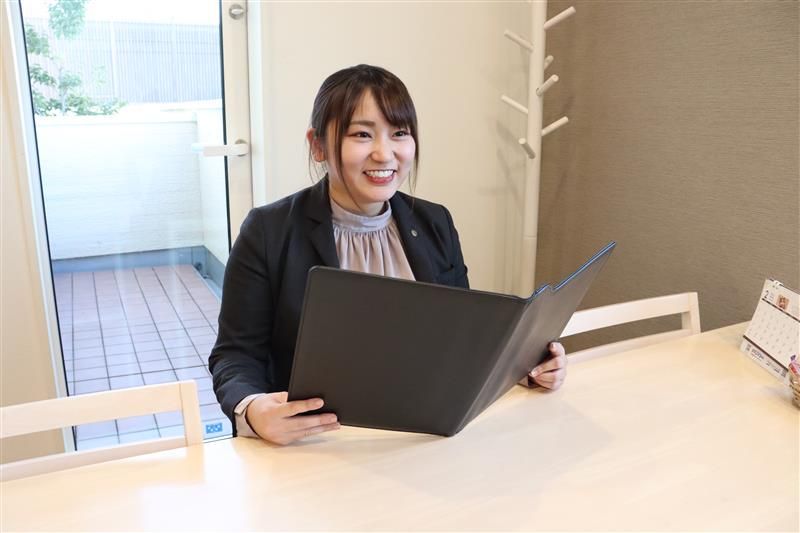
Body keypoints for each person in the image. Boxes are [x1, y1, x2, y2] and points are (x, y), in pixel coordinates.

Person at [209, 64, 567, 446]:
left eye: (399, 133)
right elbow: (235, 355)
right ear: (318, 145)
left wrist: (521, 365)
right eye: (362, 134)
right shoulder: (268, 231)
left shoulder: (435, 222)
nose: (385, 154)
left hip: (424, 434)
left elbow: (461, 337)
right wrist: (253, 409)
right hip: (317, 442)